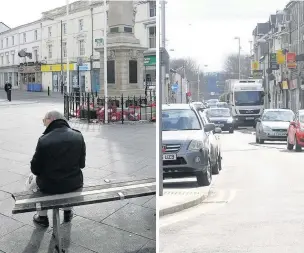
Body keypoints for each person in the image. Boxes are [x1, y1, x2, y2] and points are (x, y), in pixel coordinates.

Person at [27, 110, 86, 227]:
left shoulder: (44, 140)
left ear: (52, 119)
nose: (44, 124)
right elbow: (82, 164)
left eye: (44, 120)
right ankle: (68, 212)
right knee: (70, 181)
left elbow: (35, 169)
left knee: (30, 180)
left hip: (49, 186)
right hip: (74, 185)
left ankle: (42, 217)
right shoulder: (78, 136)